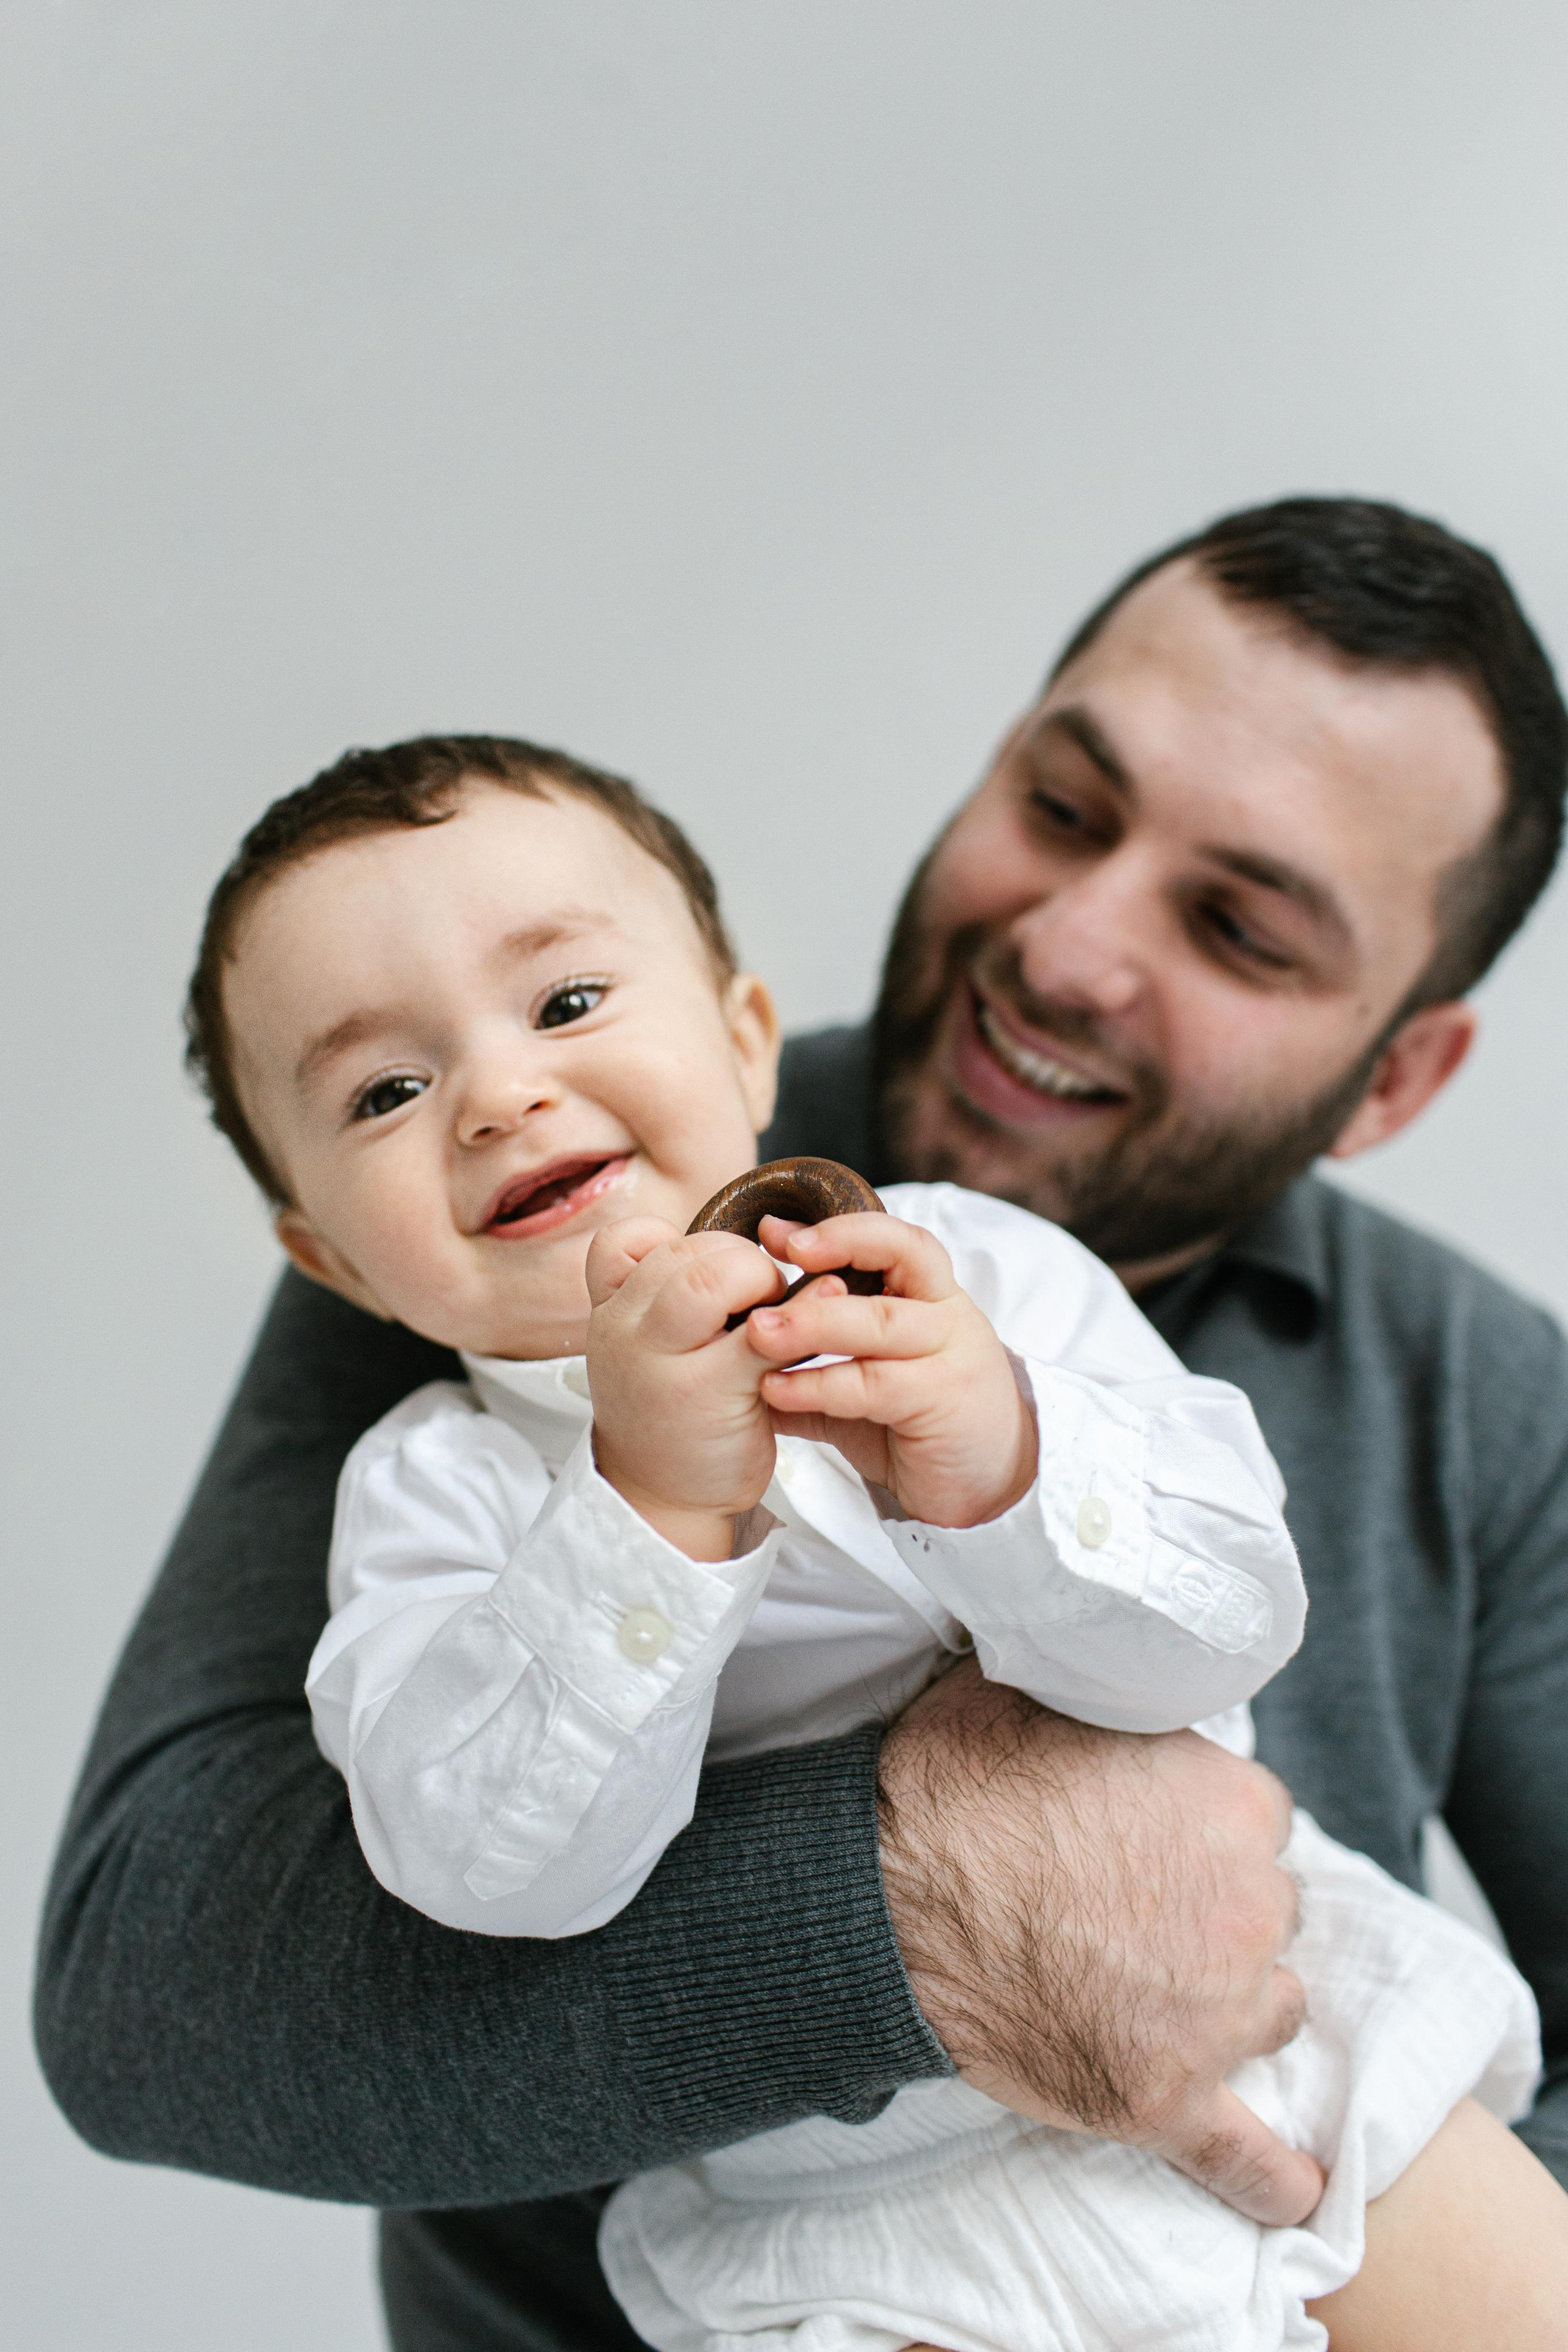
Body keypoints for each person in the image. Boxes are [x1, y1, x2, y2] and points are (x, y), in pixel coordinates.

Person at [35, 497, 1568, 2351]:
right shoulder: (495, 1259)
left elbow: (1234, 1599)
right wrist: (892, 1895)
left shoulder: (1442, 1383)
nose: (1071, 949)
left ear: (1396, 1069)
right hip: (847, 2246)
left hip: (1310, 2112)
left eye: (1237, 927)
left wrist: (1007, 1465)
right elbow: (145, 1995)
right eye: (1066, 808)